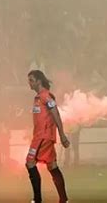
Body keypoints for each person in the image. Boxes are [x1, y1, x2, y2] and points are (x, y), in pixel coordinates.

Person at [26, 70, 70, 203]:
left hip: (42, 137)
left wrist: (62, 135)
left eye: (31, 80)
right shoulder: (38, 97)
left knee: (30, 162)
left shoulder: (46, 96)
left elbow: (56, 113)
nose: (29, 83)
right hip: (42, 136)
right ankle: (64, 199)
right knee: (52, 166)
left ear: (39, 81)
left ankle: (37, 199)